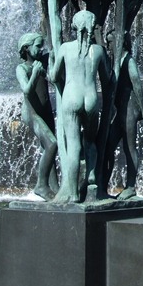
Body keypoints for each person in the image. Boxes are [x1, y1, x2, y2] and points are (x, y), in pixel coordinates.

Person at [52, 10, 110, 202]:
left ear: (75, 25)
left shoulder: (65, 48)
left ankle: (73, 193)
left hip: (71, 97)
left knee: (74, 146)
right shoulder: (98, 51)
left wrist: (51, 62)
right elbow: (107, 78)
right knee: (90, 140)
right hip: (91, 98)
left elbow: (54, 76)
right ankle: (91, 174)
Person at [104, 32, 143, 199]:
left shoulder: (128, 60)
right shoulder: (116, 61)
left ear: (119, 42)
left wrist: (142, 107)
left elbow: (136, 82)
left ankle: (130, 187)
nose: (108, 46)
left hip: (129, 108)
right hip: (121, 108)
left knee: (129, 148)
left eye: (110, 42)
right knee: (108, 146)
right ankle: (103, 186)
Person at [16, 33, 59, 201]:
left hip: (46, 110)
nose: (41, 49)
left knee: (50, 148)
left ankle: (55, 188)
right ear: (26, 48)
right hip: (32, 112)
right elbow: (26, 90)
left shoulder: (43, 62)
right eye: (38, 46)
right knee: (52, 144)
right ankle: (41, 185)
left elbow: (56, 50)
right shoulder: (22, 68)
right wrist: (35, 73)